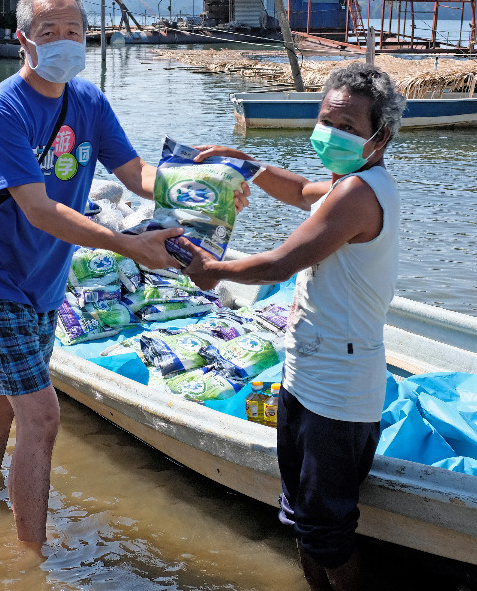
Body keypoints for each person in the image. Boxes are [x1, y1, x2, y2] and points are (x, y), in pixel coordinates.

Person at [0, 0, 199, 548]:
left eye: (73, 31)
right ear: (24, 42)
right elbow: (38, 210)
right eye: (49, 33)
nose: (64, 42)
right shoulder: (2, 108)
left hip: (45, 279)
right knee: (40, 416)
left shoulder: (88, 101)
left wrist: (205, 186)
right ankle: (28, 565)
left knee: (0, 398)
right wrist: (127, 243)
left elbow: (135, 173)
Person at [181, 63, 402, 591]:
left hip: (340, 387)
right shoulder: (344, 183)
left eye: (348, 126)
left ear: (380, 136)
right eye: (326, 121)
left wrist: (212, 270)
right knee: (300, 517)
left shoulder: (360, 194)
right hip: (307, 371)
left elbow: (281, 263)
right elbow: (303, 189)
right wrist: (246, 164)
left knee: (326, 530)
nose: (332, 134)